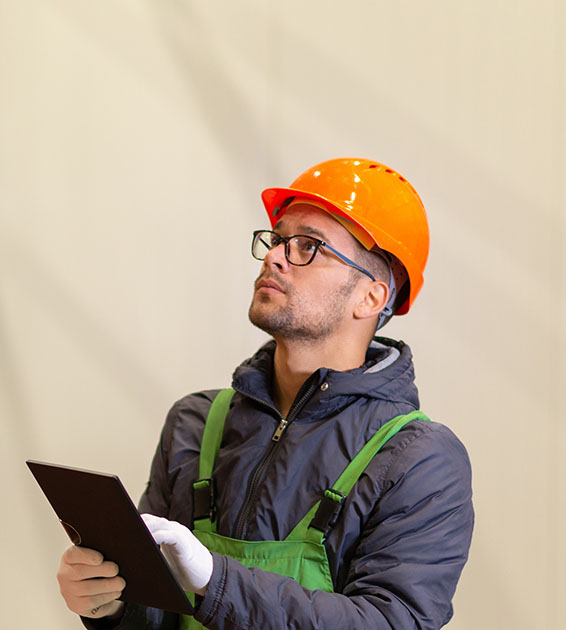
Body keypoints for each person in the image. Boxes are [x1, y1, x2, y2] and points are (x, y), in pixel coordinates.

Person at [56, 157, 474, 629]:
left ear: (370, 298)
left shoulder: (418, 459)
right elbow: (160, 613)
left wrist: (216, 579)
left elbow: (390, 623)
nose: (275, 256)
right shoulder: (196, 424)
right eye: (277, 239)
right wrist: (111, 604)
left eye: (308, 246)